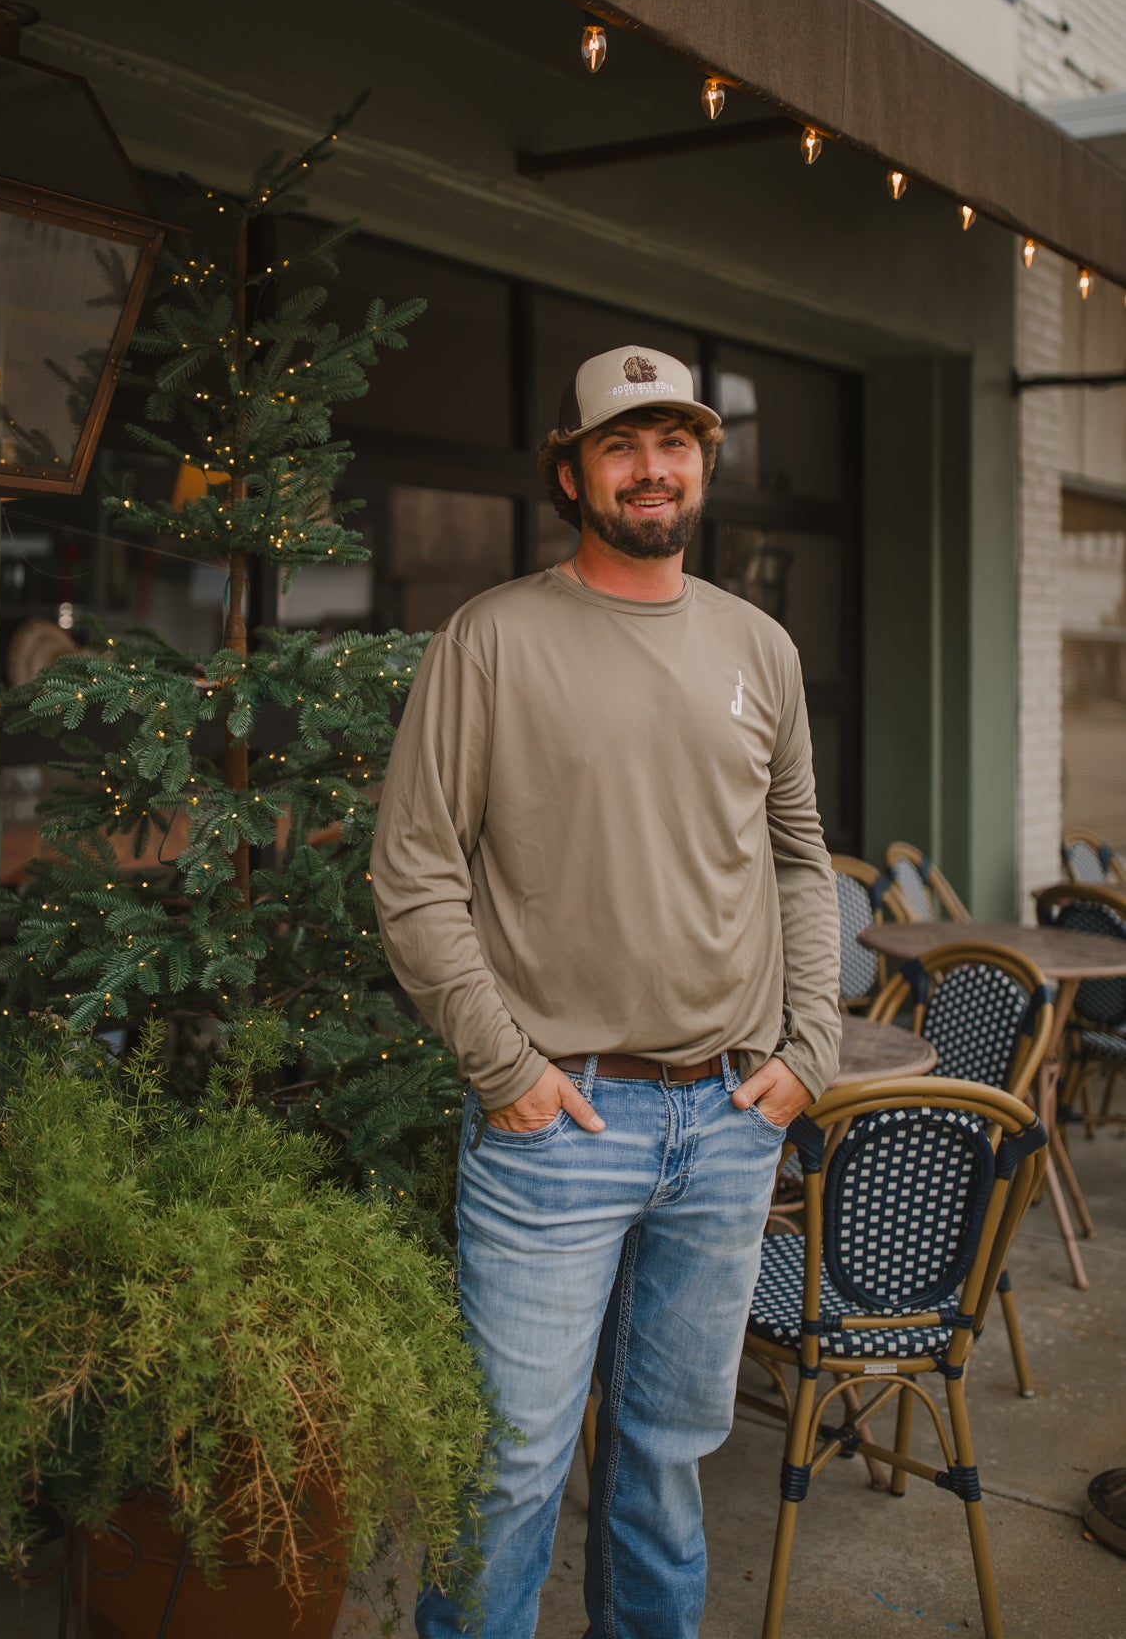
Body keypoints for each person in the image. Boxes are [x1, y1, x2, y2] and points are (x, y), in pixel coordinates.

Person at [370, 344, 841, 1639]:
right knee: (510, 1466)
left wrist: (809, 1048)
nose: (651, 467)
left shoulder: (759, 646)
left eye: (674, 441)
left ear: (703, 465)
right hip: (559, 1125)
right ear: (571, 474)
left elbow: (801, 858)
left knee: (667, 1467)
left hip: (729, 1119)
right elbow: (414, 873)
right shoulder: (491, 639)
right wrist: (507, 1071)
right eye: (620, 444)